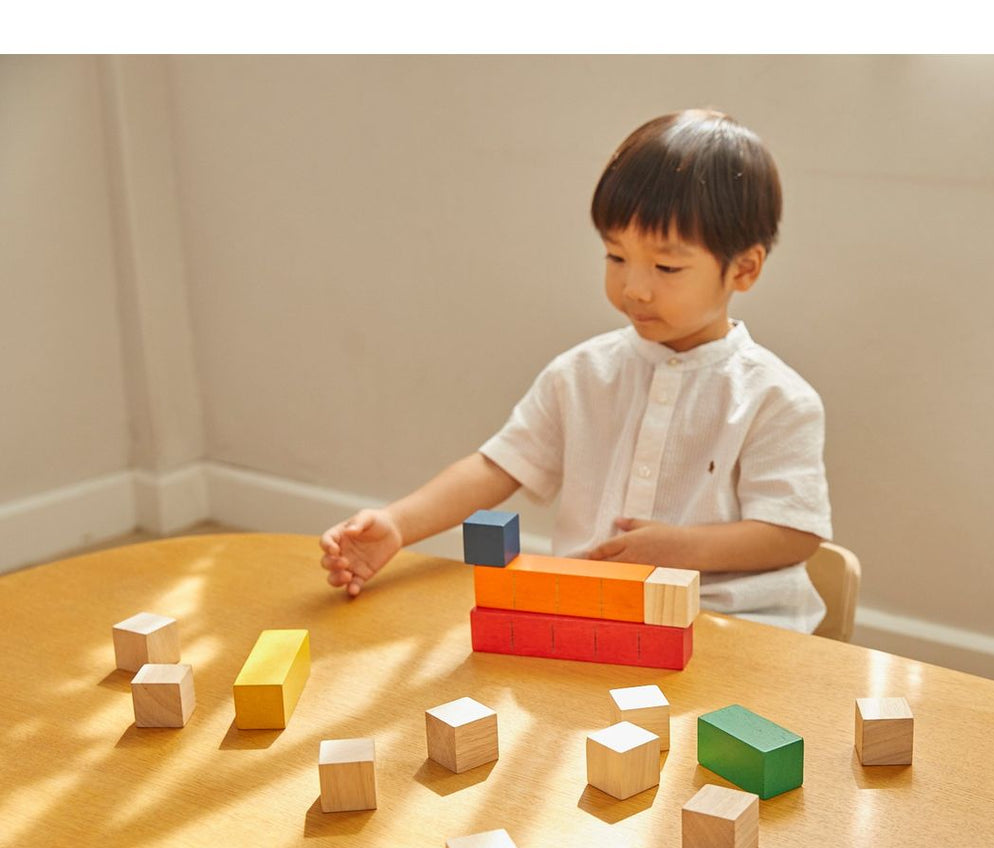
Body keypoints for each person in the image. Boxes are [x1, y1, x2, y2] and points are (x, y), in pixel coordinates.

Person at [320, 109, 832, 632]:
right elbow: (498, 466)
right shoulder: (582, 373)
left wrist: (679, 549)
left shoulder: (776, 398)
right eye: (616, 257)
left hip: (730, 626)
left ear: (743, 269)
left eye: (666, 267)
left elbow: (793, 532)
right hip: (596, 613)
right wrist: (397, 524)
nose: (634, 287)